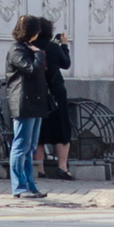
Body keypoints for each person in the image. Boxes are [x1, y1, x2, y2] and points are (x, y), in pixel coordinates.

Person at [3, 13, 49, 199]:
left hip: (35, 102)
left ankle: (30, 185)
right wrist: (38, 55)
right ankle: (19, 187)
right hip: (23, 102)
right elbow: (32, 69)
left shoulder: (27, 48)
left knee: (30, 146)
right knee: (20, 145)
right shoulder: (16, 49)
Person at [35, 17, 74, 180]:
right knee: (62, 128)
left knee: (39, 132)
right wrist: (64, 45)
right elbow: (65, 64)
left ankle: (39, 169)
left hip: (37, 92)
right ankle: (62, 167)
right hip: (56, 92)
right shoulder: (54, 47)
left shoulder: (31, 48)